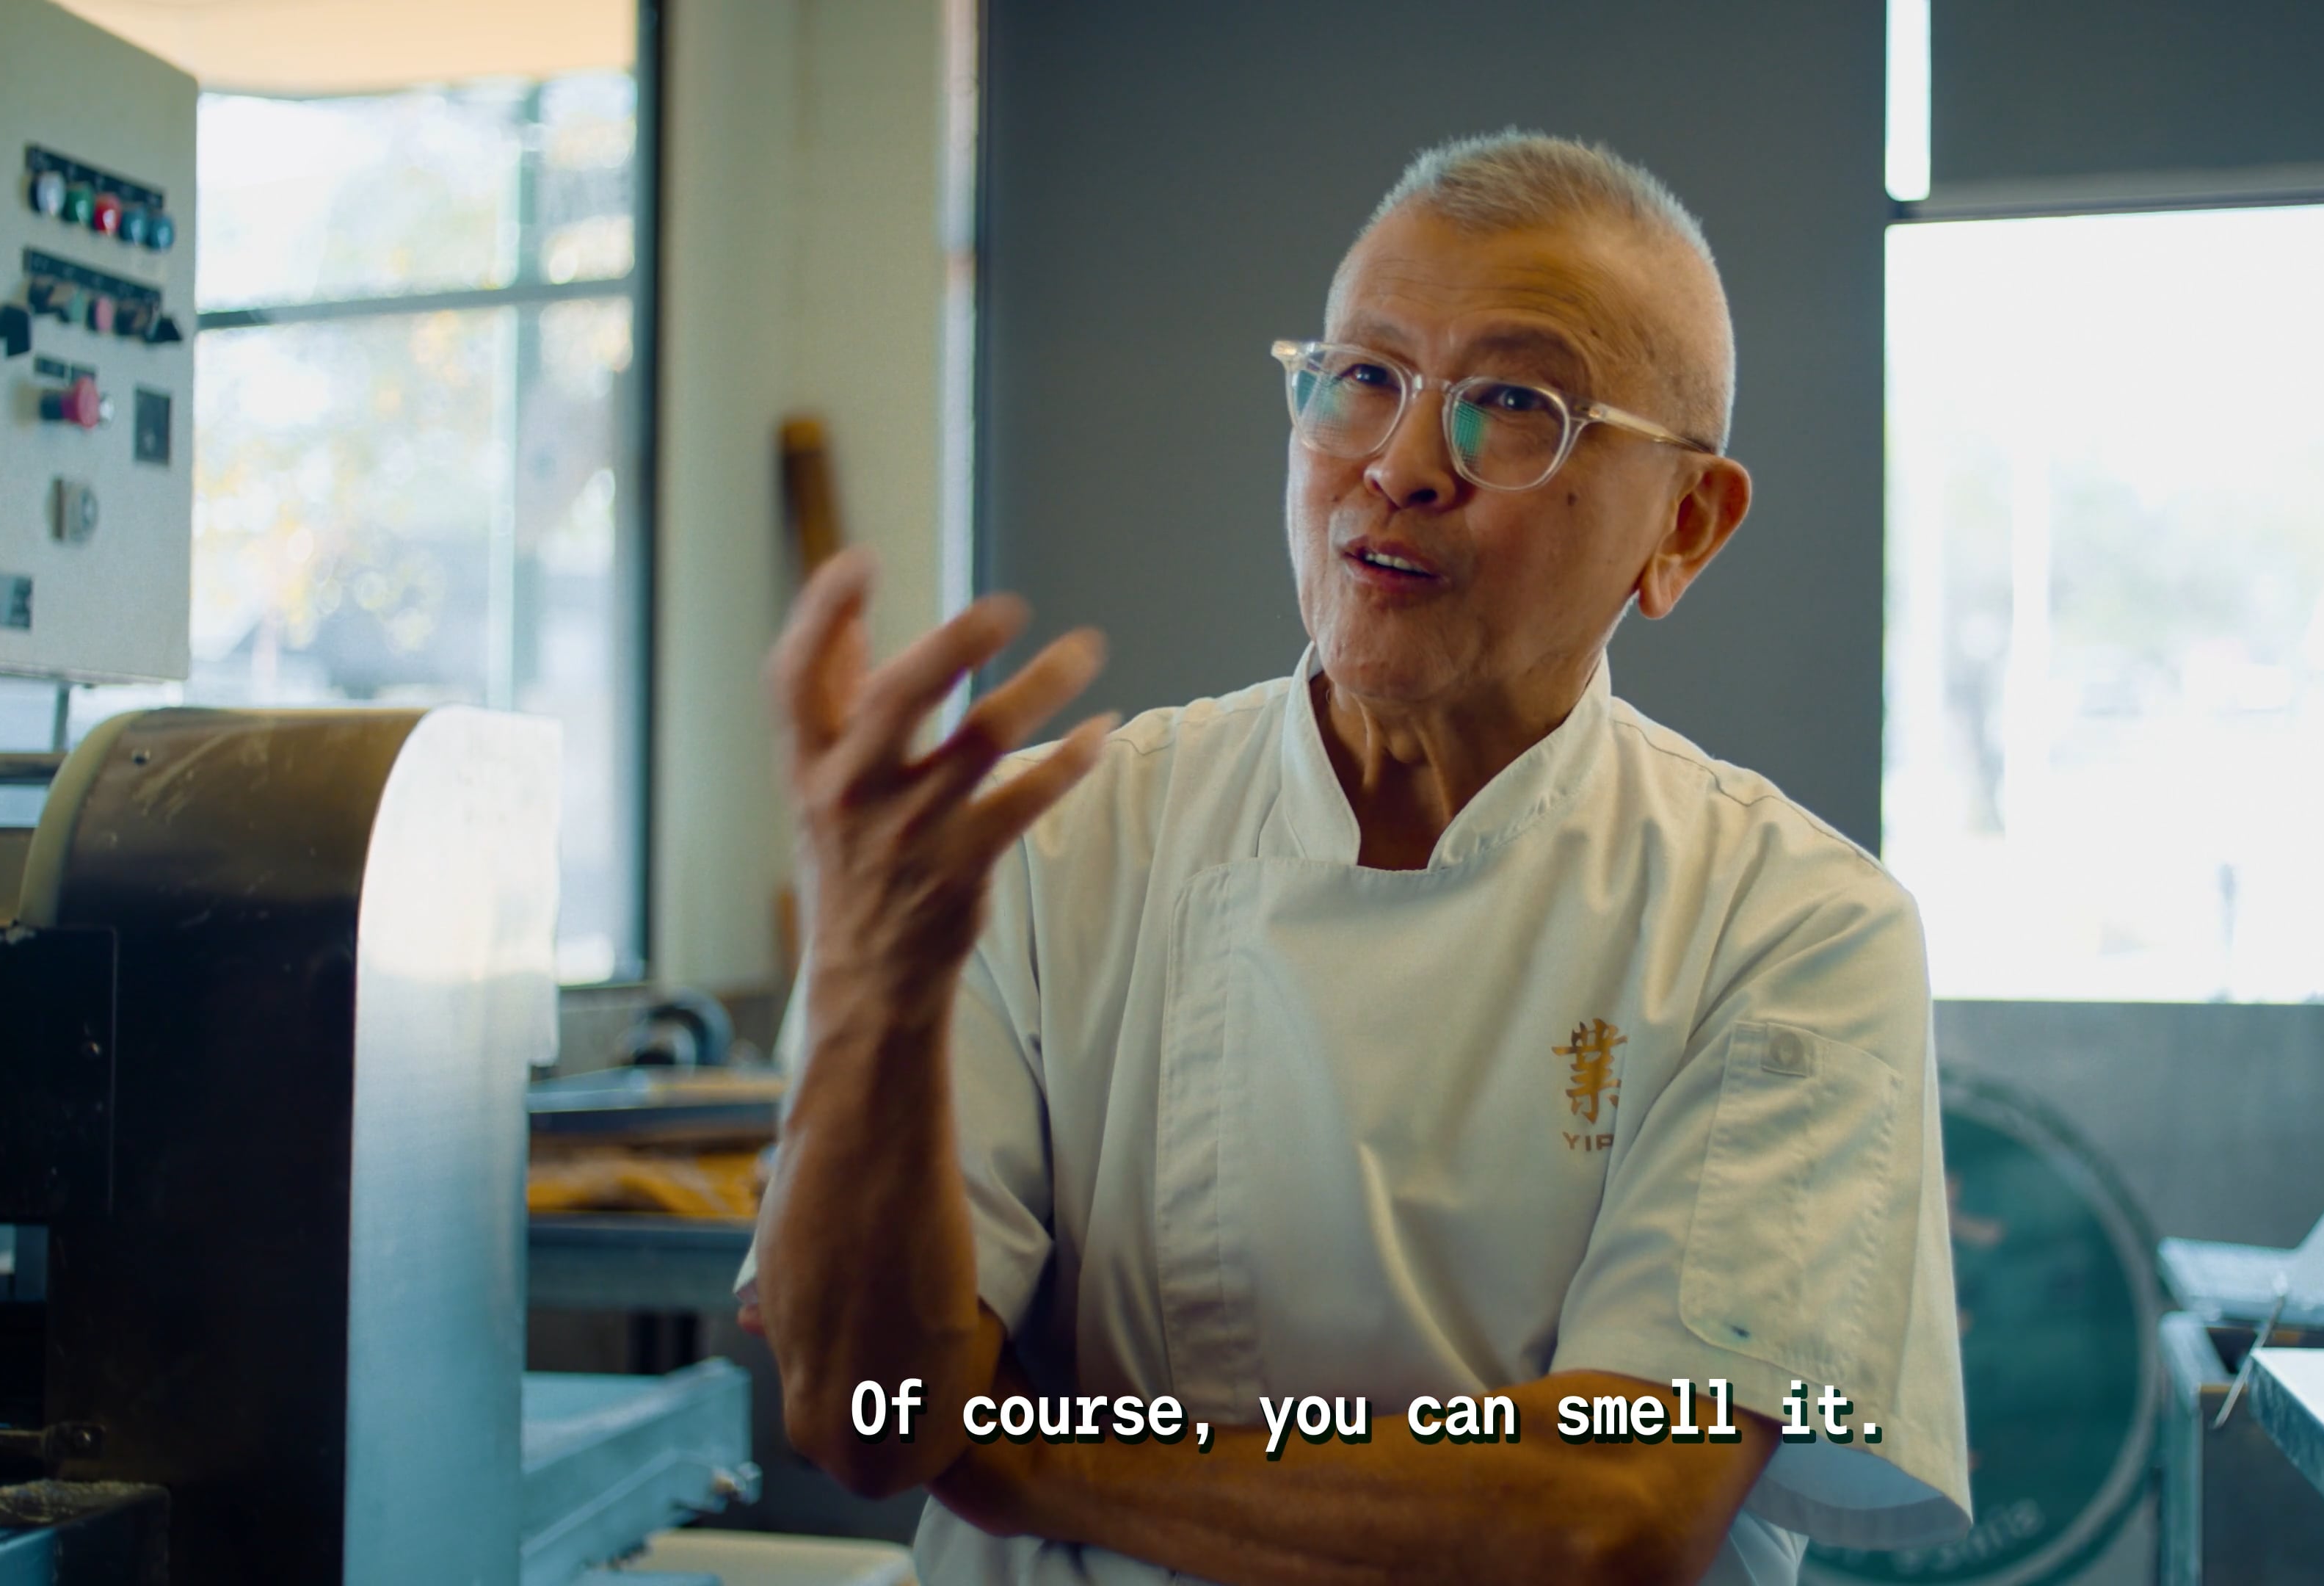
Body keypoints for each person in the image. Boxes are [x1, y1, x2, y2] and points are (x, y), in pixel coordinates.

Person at [744, 131, 1969, 1585]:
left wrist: (1020, 1460)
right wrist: (871, 996)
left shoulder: (1788, 925)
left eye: (1512, 406)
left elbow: (1611, 1516)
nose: (1398, 465)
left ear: (1684, 526)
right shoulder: (1038, 847)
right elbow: (866, 1422)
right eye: (1365, 378)